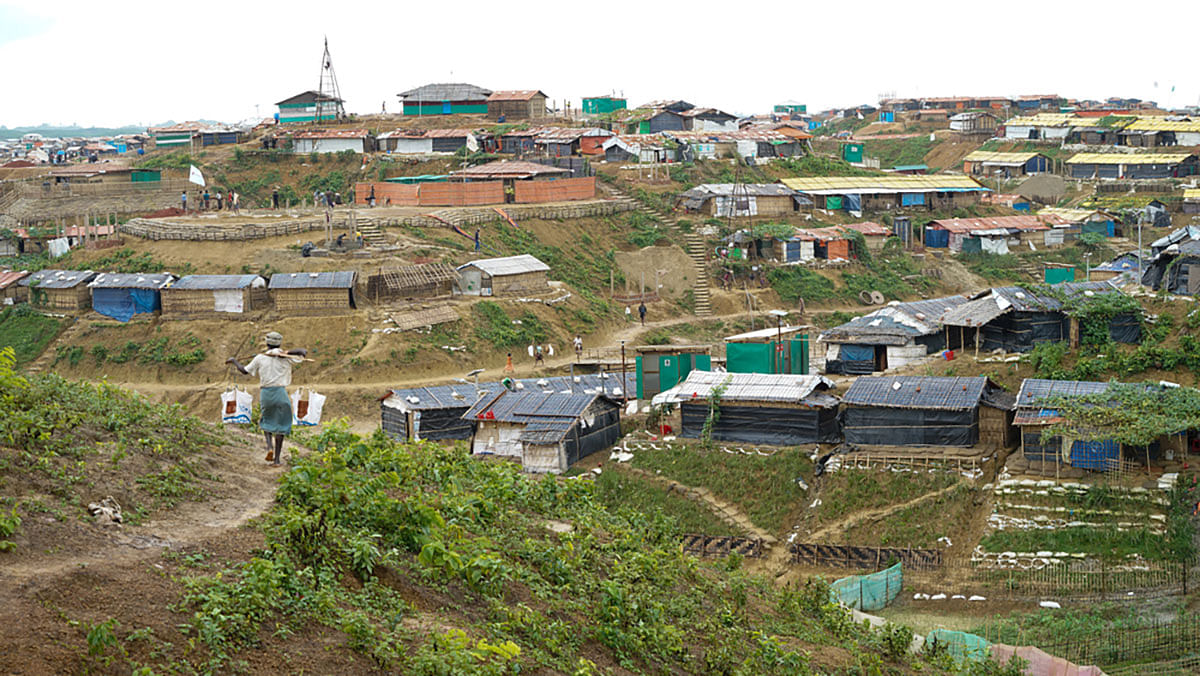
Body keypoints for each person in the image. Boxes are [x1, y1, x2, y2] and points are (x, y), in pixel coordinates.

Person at [226, 332, 307, 466]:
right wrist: (285, 352)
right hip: (281, 393)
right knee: (281, 426)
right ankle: (277, 460)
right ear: (279, 343)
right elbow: (303, 351)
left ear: (267, 343)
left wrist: (234, 361)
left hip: (266, 394)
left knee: (266, 421)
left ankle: (269, 447)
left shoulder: (260, 358)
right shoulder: (286, 357)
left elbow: (244, 371)